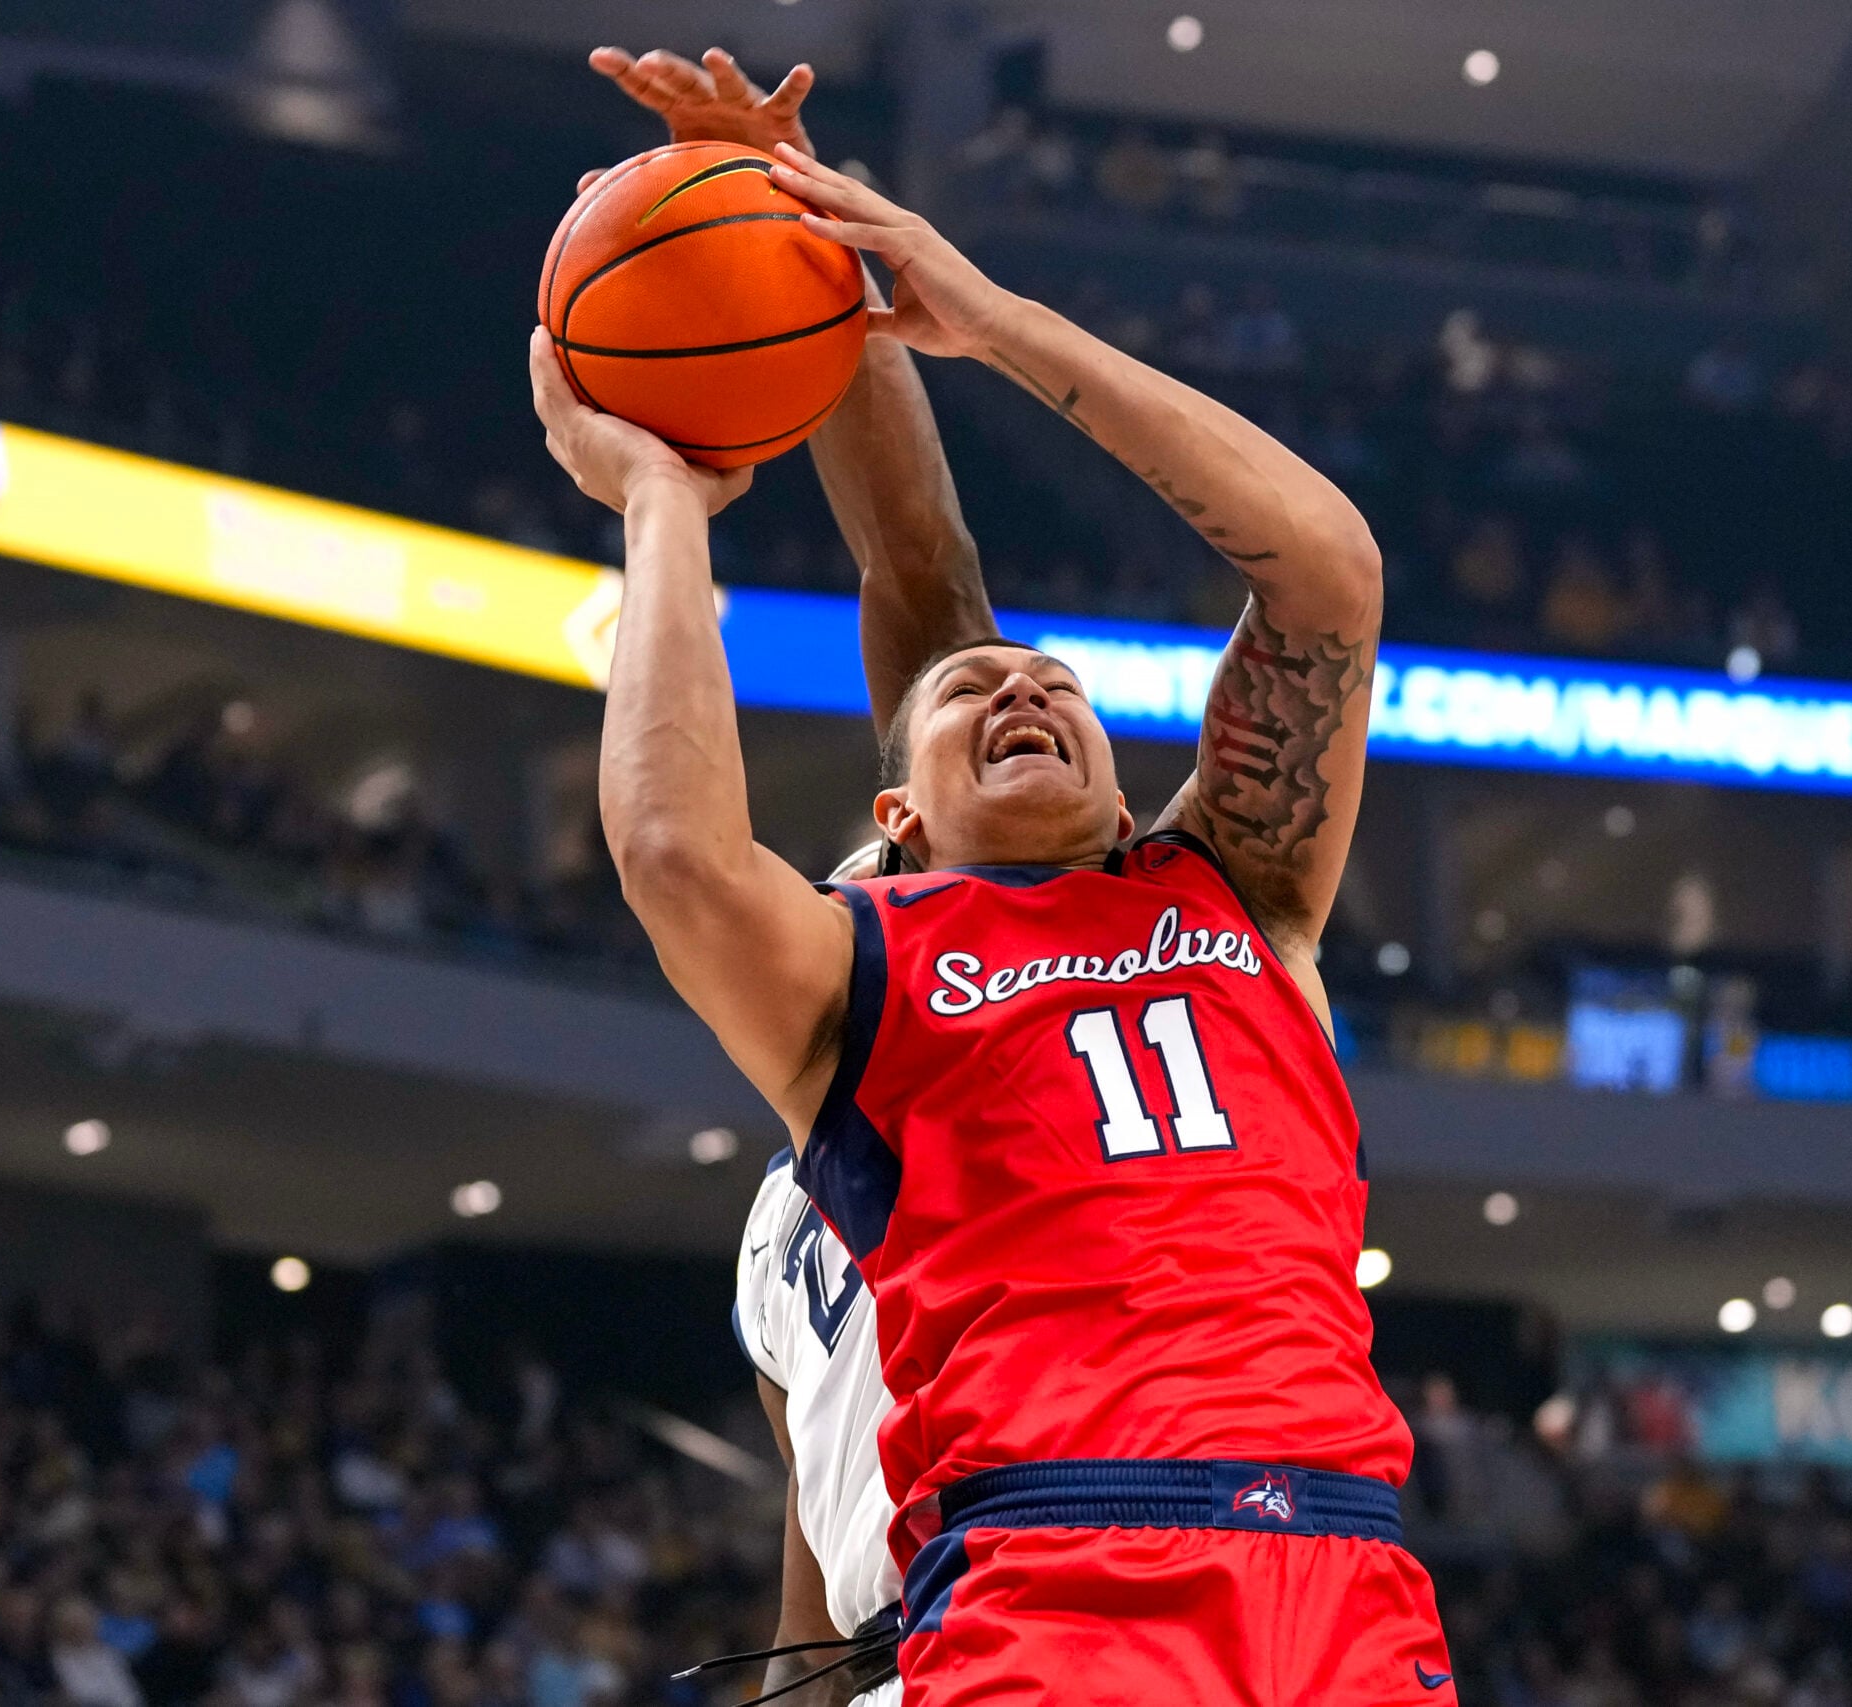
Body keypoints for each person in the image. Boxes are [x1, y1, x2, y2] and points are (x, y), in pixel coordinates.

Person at [530, 145, 1453, 1705]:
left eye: (1060, 685)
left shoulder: (1237, 886)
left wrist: (965, 306)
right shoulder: (861, 988)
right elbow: (684, 844)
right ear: (894, 826)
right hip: (1050, 1588)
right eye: (972, 692)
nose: (1022, 682)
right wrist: (664, 506)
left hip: (1344, 1584)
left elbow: (1326, 575)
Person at [581, 44, 998, 1707]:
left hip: (1054, 1623)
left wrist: (803, 249)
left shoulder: (1008, 977)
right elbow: (821, 1589)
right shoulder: (778, 1233)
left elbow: (924, 572)